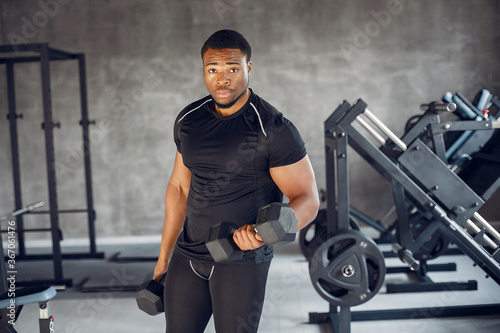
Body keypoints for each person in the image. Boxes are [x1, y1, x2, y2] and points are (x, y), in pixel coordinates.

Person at [153, 29, 319, 333]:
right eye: (212, 70)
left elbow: (307, 199)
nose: (223, 79)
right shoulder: (188, 120)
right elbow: (179, 188)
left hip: (241, 260)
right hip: (189, 253)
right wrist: (163, 258)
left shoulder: (273, 128)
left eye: (232, 69)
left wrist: (260, 235)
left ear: (249, 68)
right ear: (203, 70)